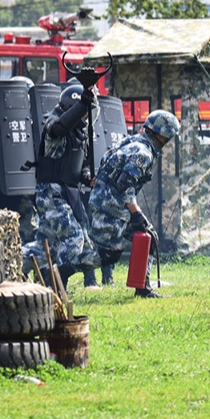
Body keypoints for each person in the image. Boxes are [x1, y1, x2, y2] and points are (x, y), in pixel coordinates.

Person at [87, 109, 179, 299]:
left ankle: (142, 288)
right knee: (106, 255)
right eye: (165, 137)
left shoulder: (130, 141)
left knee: (148, 238)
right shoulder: (143, 152)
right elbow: (125, 182)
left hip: (113, 202)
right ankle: (62, 270)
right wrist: (136, 213)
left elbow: (107, 161)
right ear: (158, 134)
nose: (166, 141)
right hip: (110, 205)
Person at [24, 84, 101, 289]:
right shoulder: (53, 123)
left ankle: (11, 265)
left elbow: (79, 167)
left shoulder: (80, 133)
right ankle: (55, 281)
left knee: (43, 247)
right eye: (83, 111)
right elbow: (59, 128)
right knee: (75, 239)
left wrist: (87, 178)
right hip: (51, 193)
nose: (85, 117)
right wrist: (83, 103)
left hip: (69, 192)